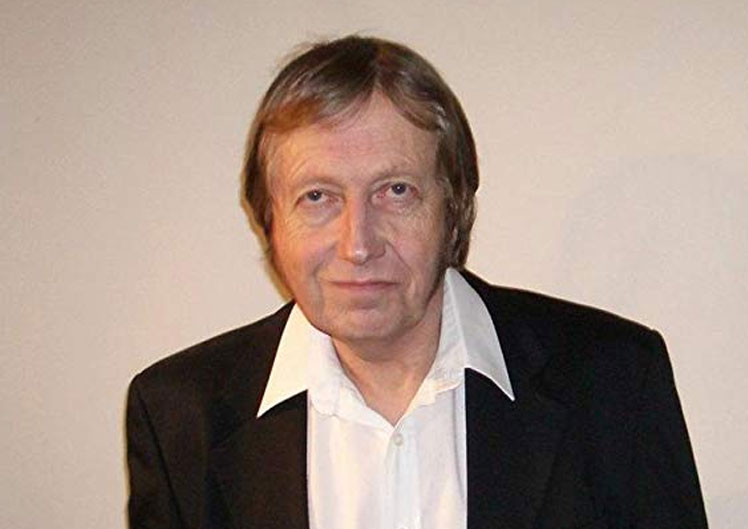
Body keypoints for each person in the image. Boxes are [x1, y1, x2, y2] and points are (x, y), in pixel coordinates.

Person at [126, 35, 708, 529]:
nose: (358, 244)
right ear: (270, 221)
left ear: (453, 207)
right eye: (318, 197)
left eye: (396, 191)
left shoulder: (614, 383)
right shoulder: (180, 417)